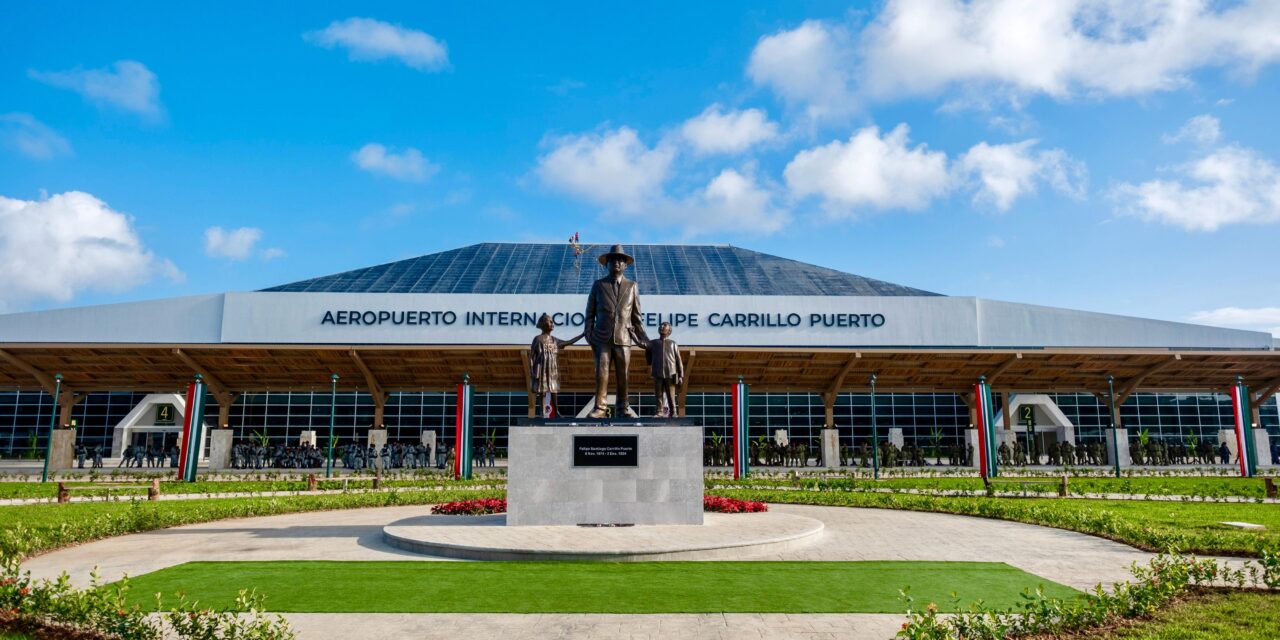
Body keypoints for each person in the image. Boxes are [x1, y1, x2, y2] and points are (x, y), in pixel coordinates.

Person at [584, 244, 648, 418]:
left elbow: (637, 317)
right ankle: (600, 408)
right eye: (613, 260)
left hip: (624, 337)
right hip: (601, 337)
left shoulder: (632, 286)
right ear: (607, 264)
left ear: (625, 265)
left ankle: (623, 408)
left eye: (620, 260)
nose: (617, 263)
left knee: (623, 375)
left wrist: (645, 340)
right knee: (601, 373)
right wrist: (589, 333)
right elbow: (589, 313)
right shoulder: (598, 285)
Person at [528, 313, 584, 418]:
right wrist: (532, 370)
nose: (552, 323)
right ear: (544, 324)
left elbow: (569, 342)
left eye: (552, 321)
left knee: (553, 390)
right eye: (550, 321)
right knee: (542, 390)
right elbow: (531, 356)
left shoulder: (555, 340)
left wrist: (583, 334)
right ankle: (542, 412)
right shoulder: (538, 339)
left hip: (552, 368)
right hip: (542, 368)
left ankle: (557, 412)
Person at [644, 321, 685, 418]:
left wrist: (681, 375)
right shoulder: (653, 343)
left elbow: (679, 361)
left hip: (670, 373)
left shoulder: (673, 343)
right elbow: (648, 356)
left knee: (671, 394)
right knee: (658, 394)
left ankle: (673, 412)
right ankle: (659, 411)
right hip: (657, 372)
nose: (662, 327)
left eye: (664, 326)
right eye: (661, 325)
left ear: (669, 330)